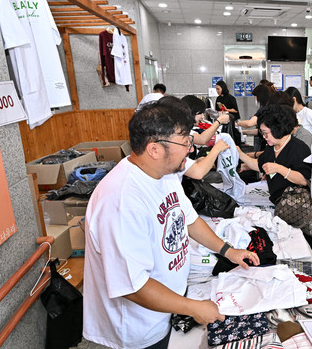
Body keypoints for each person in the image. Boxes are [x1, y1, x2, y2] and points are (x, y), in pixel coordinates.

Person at [83, 102, 259, 349]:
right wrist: (194, 308)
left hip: (166, 309)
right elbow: (133, 286)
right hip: (137, 328)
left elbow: (189, 220)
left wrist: (228, 251)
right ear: (154, 149)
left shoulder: (165, 174)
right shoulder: (121, 201)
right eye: (184, 141)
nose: (190, 148)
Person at [238, 104, 312, 268]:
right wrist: (240, 155)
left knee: (311, 254)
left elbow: (305, 179)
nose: (264, 137)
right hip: (284, 209)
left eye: (266, 133)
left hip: (303, 212)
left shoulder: (298, 148)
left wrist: (280, 169)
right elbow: (260, 165)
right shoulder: (272, 147)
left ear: (279, 129)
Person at [158, 95, 230, 180]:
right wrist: (216, 149)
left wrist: (195, 162)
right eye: (200, 113)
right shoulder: (171, 139)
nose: (203, 117)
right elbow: (202, 139)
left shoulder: (176, 134)